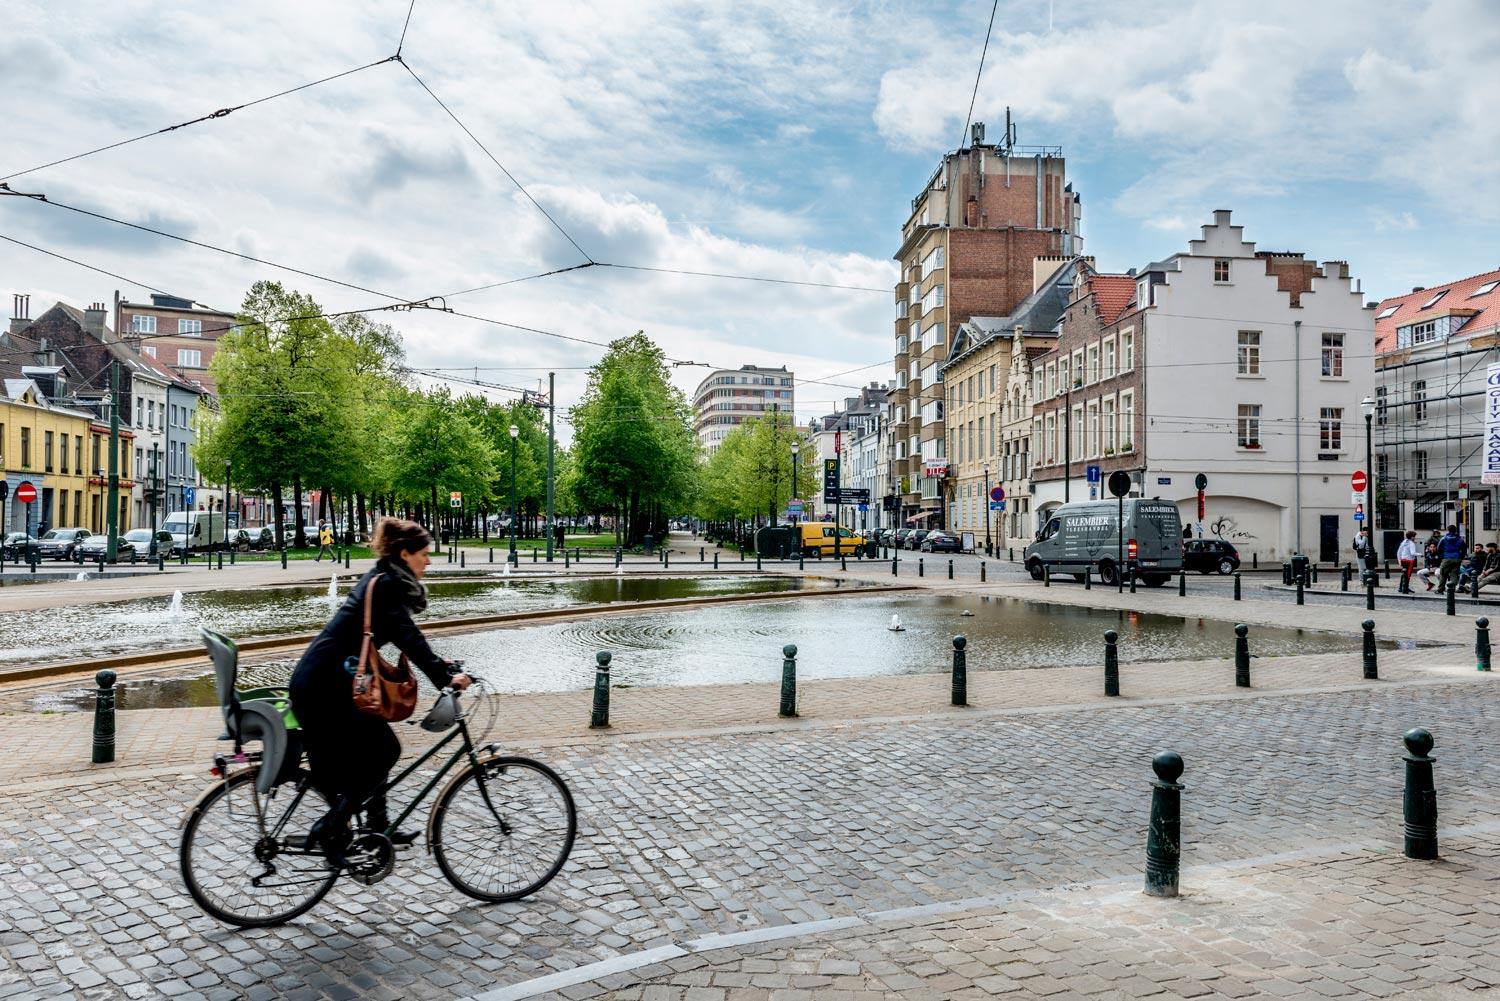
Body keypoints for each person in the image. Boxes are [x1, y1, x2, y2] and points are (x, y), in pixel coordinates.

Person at [290, 518, 470, 859]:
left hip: (326, 681)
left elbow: (406, 635)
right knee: (385, 750)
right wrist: (445, 679)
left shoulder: (383, 578)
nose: (428, 562)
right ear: (405, 553)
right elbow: (409, 637)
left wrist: (441, 666)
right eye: (424, 554)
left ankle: (377, 827)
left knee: (376, 747)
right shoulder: (387, 585)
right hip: (323, 689)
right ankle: (332, 825)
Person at [1436, 524, 1467, 593]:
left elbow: (1438, 549)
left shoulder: (1443, 539)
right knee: (1454, 574)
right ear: (1455, 530)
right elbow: (1464, 550)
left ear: (1448, 530)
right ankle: (1452, 587)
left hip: (1446, 558)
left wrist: (1442, 557)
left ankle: (1440, 589)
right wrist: (1460, 557)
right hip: (1457, 558)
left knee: (1443, 574)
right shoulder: (1460, 539)